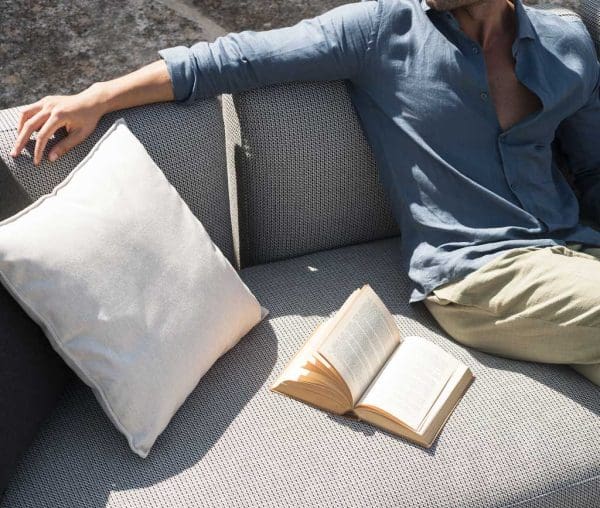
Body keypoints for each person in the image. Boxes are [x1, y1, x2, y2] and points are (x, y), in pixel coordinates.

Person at [10, 0, 600, 386]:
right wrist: (100, 96)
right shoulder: (380, 30)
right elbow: (231, 59)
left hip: (574, 253)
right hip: (477, 271)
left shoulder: (567, 42)